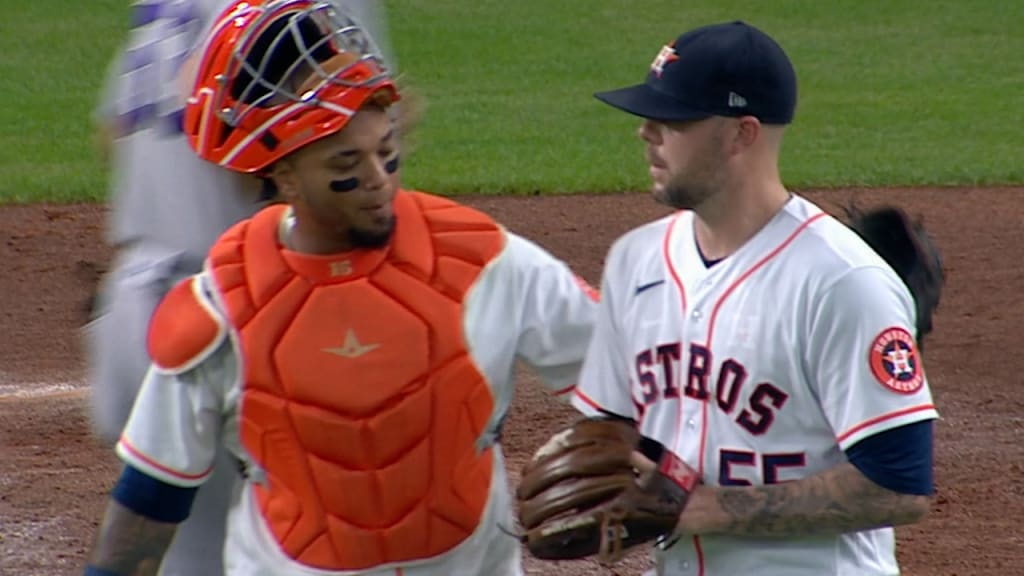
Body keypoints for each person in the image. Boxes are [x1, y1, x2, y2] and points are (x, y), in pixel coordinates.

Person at [82, 1, 599, 575]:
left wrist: (665, 478)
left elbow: (629, 371)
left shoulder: (485, 260)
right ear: (281, 174)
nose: (379, 181)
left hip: (140, 279)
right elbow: (148, 501)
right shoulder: (222, 304)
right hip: (204, 301)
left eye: (387, 153)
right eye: (347, 163)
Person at [567, 21, 938, 575]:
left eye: (674, 118)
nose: (646, 131)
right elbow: (613, 423)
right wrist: (599, 476)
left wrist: (698, 508)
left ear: (742, 133)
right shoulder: (635, 260)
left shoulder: (841, 281)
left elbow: (898, 486)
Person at [83, 2, 398, 575]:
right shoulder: (305, 8)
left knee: (184, 549)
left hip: (132, 307)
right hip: (236, 318)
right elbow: (341, 121)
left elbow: (113, 132)